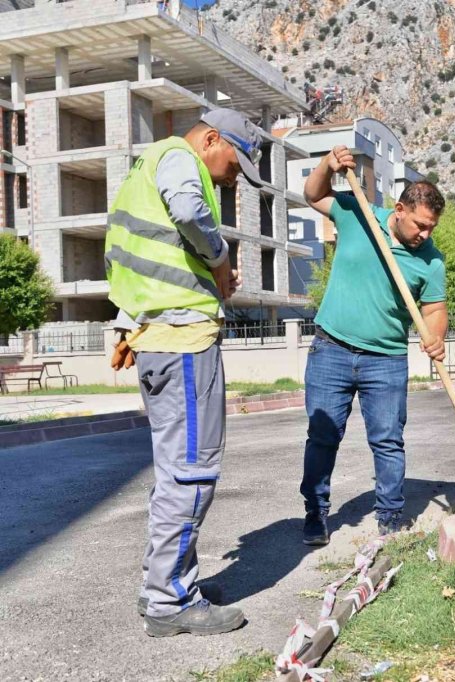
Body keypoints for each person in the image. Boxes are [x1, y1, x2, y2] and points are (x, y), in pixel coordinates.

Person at [105, 108, 260, 636]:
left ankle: (175, 581)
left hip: (158, 337)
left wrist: (133, 325)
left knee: (176, 471)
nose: (236, 175)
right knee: (192, 472)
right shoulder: (176, 157)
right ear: (211, 138)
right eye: (236, 162)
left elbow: (138, 255)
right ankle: (169, 601)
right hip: (183, 343)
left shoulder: (146, 166)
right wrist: (219, 259)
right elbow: (191, 214)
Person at [301, 144, 448, 546]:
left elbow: (435, 309)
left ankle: (390, 517)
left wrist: (436, 337)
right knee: (322, 436)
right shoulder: (358, 215)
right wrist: (327, 165)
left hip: (385, 359)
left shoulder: (431, 260)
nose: (425, 234)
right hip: (330, 347)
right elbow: (313, 195)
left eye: (432, 227)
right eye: (420, 225)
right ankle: (315, 513)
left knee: (387, 439)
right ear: (399, 209)